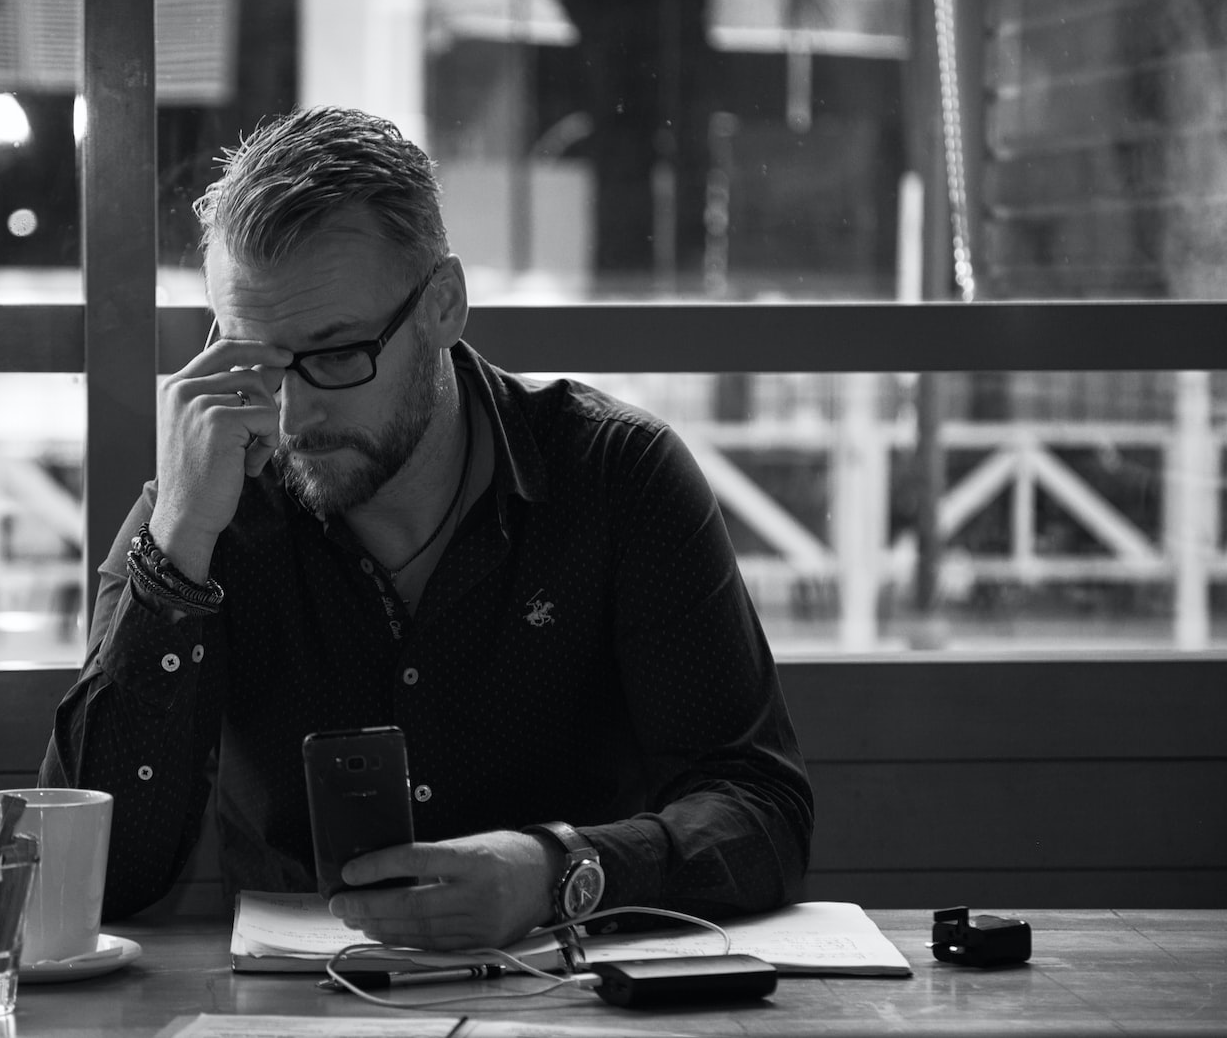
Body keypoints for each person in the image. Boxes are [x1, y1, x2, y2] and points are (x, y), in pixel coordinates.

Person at [40, 106, 812, 952]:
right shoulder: (203, 505)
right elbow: (99, 880)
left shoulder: (614, 478)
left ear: (443, 306)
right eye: (255, 359)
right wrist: (178, 546)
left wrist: (559, 871)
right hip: (303, 1019)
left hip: (579, 1008)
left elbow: (760, 808)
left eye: (337, 354)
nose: (292, 412)